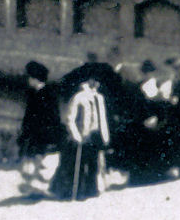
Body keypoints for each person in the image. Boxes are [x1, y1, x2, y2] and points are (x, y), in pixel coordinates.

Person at [50, 77, 110, 201]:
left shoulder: (99, 98)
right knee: (80, 164)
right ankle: (77, 192)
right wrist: (76, 134)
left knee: (94, 163)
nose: (95, 87)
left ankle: (91, 190)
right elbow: (70, 119)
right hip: (83, 135)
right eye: (91, 84)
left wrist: (105, 135)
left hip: (96, 135)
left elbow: (102, 118)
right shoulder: (79, 98)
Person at [16, 61, 64, 197]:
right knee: (31, 162)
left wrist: (46, 135)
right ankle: (31, 188)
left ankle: (38, 189)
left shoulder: (48, 94)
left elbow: (52, 118)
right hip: (34, 136)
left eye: (29, 77)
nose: (27, 80)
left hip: (44, 136)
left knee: (43, 163)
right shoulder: (33, 93)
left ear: (34, 78)